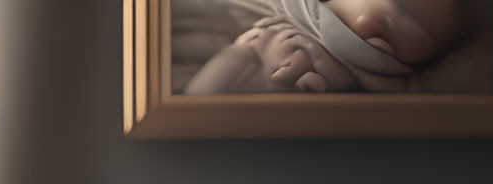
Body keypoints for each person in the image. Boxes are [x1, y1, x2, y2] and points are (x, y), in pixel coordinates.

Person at [182, 0, 477, 95]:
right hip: (264, 46)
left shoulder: (383, 70)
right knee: (224, 72)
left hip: (294, 71)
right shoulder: (300, 12)